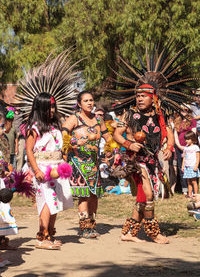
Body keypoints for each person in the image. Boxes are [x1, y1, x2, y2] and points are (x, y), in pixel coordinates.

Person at [108, 41, 197, 244]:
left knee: (143, 196)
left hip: (151, 161)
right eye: (137, 95)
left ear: (153, 98)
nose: (139, 99)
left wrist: (168, 147)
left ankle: (128, 232)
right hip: (135, 160)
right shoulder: (129, 114)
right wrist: (129, 144)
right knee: (147, 193)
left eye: (143, 96)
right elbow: (117, 135)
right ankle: (153, 232)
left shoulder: (160, 115)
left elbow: (169, 135)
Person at [14, 50, 80, 250]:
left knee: (57, 201)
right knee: (46, 202)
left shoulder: (55, 126)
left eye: (53, 106)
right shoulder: (35, 128)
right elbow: (29, 150)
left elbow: (60, 147)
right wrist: (36, 170)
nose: (52, 110)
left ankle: (50, 234)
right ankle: (42, 237)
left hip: (56, 168)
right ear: (40, 108)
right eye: (48, 107)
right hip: (42, 169)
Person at [62, 91, 112, 238]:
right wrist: (74, 142)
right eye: (86, 101)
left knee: (94, 195)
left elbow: (107, 136)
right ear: (79, 104)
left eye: (91, 100)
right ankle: (85, 227)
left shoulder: (98, 119)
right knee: (84, 195)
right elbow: (63, 135)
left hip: (94, 163)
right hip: (78, 162)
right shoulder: (74, 118)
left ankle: (92, 224)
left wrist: (110, 149)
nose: (90, 103)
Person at [0, 102, 18, 253]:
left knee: (4, 211)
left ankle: (2, 240)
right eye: (7, 123)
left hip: (2, 179)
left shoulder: (5, 139)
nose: (8, 127)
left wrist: (6, 170)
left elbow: (5, 159)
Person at [174, 105, 197, 195]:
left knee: (191, 167)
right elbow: (175, 134)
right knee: (181, 168)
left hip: (190, 148)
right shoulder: (177, 121)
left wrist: (187, 147)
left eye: (185, 110)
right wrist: (179, 146)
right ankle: (185, 189)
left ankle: (194, 189)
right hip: (179, 148)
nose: (183, 111)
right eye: (181, 110)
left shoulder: (192, 121)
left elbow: (193, 133)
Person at [181, 131, 200, 197]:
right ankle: (189, 194)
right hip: (187, 166)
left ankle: (196, 194)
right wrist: (183, 166)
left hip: (192, 166)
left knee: (194, 182)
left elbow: (198, 157)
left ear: (193, 139)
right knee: (188, 182)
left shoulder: (195, 147)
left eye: (188, 139)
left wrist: (196, 166)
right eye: (185, 139)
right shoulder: (186, 148)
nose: (186, 141)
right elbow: (184, 157)